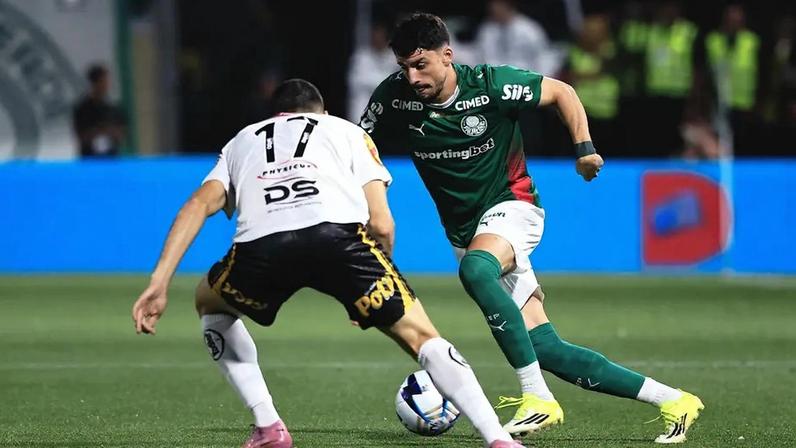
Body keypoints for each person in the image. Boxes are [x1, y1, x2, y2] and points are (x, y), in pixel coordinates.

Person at [359, 13, 704, 443]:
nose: (412, 76)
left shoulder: (491, 84)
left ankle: (536, 397)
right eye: (404, 67)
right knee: (545, 347)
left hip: (514, 207)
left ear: (447, 56)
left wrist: (584, 150)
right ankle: (675, 400)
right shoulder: (394, 96)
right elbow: (359, 142)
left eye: (420, 64)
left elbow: (563, 91)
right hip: (464, 232)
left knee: (476, 272)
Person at [131, 79, 526, 448]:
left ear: (274, 115)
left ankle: (268, 425)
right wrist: (370, 285)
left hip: (262, 247)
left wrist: (159, 281)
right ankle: (498, 439)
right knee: (423, 338)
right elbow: (382, 222)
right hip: (339, 241)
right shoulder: (347, 131)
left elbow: (198, 204)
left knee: (210, 303)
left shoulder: (241, 142)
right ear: (320, 111)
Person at [73, 64, 126, 157]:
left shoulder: (113, 107)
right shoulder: (83, 109)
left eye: (107, 81)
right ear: (94, 83)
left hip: (111, 160)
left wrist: (112, 132)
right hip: (91, 160)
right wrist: (99, 131)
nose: (107, 85)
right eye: (103, 81)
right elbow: (81, 135)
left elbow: (121, 132)